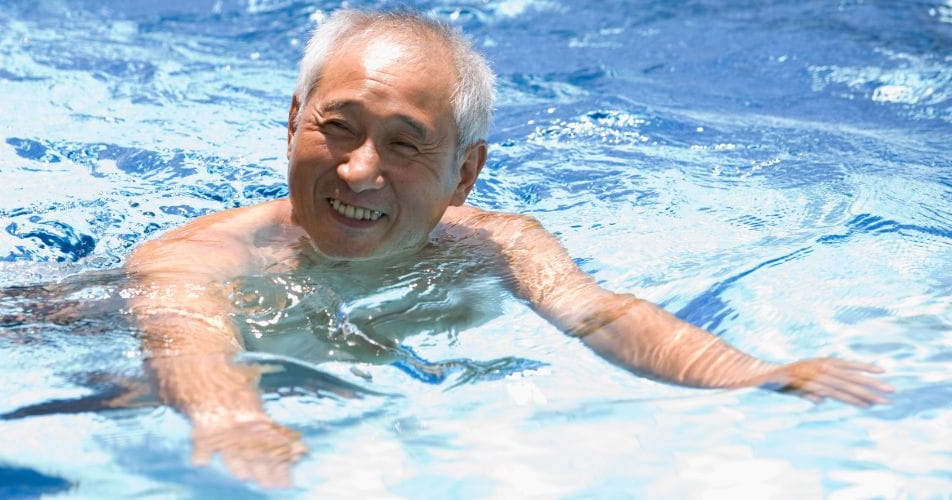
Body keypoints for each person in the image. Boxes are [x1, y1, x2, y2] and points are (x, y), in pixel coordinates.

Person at [122, 9, 893, 489]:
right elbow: (188, 345)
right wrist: (228, 421)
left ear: (465, 172)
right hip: (107, 365)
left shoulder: (498, 247)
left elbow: (598, 316)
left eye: (403, 144)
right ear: (294, 121)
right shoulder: (193, 261)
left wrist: (749, 373)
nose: (360, 168)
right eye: (339, 126)